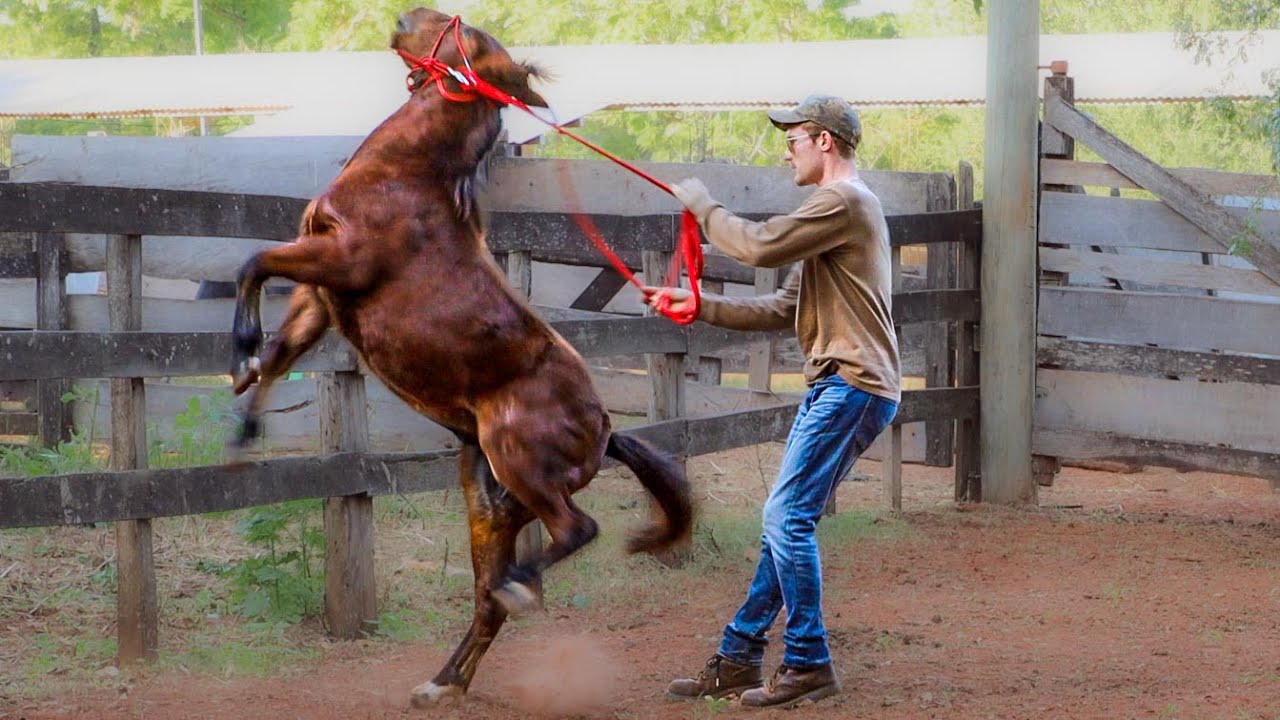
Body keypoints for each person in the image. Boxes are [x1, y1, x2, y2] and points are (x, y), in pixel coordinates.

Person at [648, 94, 901, 709]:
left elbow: (757, 245)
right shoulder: (835, 210)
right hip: (844, 386)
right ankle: (738, 657)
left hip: (852, 384)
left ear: (824, 141)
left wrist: (703, 206)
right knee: (786, 525)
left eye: (793, 139)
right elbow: (783, 308)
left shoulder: (843, 201)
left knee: (785, 520)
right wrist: (699, 307)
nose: (786, 150)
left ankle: (809, 663)